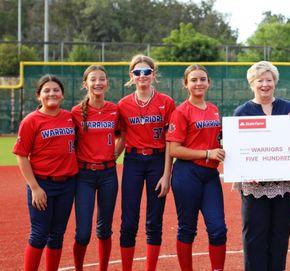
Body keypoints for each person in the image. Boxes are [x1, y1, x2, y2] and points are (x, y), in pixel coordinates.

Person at [233, 61, 290, 271]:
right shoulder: (242, 112)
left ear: (275, 82)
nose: (265, 84)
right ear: (251, 84)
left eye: (269, 80)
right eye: (260, 80)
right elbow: (235, 150)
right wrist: (246, 172)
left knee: (280, 233)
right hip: (254, 186)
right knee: (254, 234)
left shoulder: (288, 108)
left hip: (284, 184)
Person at [117, 54, 175, 271]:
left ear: (153, 75)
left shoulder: (166, 102)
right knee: (129, 221)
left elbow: (171, 140)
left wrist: (166, 174)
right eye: (137, 72)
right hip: (132, 161)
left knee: (154, 221)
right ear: (131, 76)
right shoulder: (123, 105)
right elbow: (121, 137)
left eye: (147, 72)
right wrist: (108, 158)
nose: (142, 76)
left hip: (157, 161)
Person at [13, 75, 78, 271]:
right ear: (38, 96)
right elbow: (22, 156)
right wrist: (35, 188)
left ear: (62, 95)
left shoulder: (69, 117)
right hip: (43, 184)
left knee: (57, 234)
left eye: (56, 90)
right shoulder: (31, 121)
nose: (52, 94)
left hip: (67, 184)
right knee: (39, 234)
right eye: (47, 90)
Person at [167, 64, 227, 271]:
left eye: (202, 79)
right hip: (187, 174)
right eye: (193, 80)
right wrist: (207, 153)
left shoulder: (213, 109)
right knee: (187, 229)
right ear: (186, 84)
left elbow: (219, 141)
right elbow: (174, 149)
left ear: (208, 83)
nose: (198, 83)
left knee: (218, 228)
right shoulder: (180, 111)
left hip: (210, 174)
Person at [71, 65, 119, 271]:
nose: (98, 83)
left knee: (105, 229)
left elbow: (123, 134)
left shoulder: (114, 109)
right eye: (93, 79)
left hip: (108, 174)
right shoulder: (75, 112)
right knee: (83, 233)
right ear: (85, 84)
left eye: (102, 79)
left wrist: (115, 153)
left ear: (107, 83)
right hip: (84, 176)